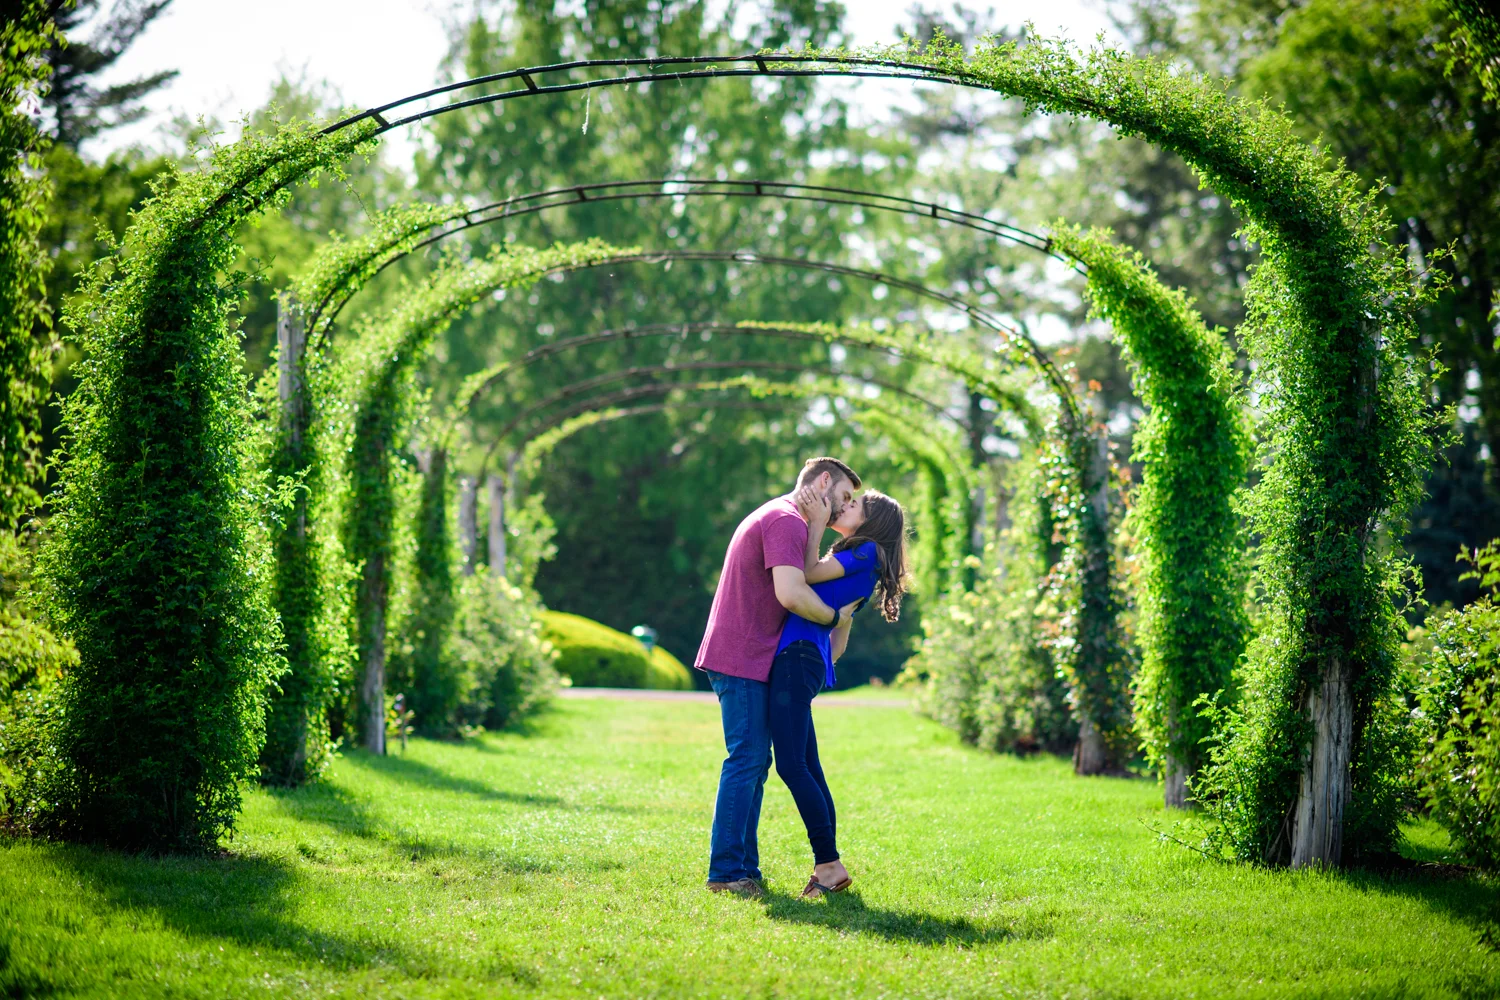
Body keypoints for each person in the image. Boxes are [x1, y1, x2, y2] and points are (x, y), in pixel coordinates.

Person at [695, 457, 864, 898]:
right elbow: (791, 593)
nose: (844, 509)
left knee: (755, 761)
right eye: (844, 496)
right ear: (823, 482)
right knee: (747, 759)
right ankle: (728, 872)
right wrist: (832, 616)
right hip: (743, 656)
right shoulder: (786, 521)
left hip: (749, 655)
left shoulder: (784, 518)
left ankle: (742, 868)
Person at [773, 487, 909, 899]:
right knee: (807, 767)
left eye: (854, 505)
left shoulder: (866, 551)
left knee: (793, 767)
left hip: (797, 661)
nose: (843, 507)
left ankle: (829, 865)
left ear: (870, 523)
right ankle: (828, 864)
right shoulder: (865, 559)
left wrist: (814, 524)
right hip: (807, 660)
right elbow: (840, 639)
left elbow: (808, 572)